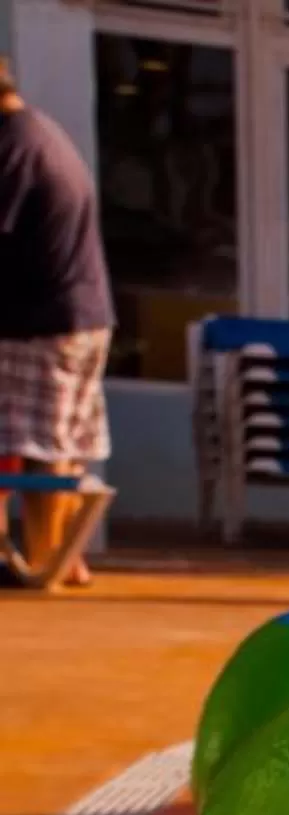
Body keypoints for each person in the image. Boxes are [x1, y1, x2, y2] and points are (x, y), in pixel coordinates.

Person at [0, 55, 114, 588]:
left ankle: (46, 560)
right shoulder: (43, 133)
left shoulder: (13, 143)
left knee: (30, 443)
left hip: (41, 320)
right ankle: (63, 560)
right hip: (83, 314)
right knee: (61, 441)